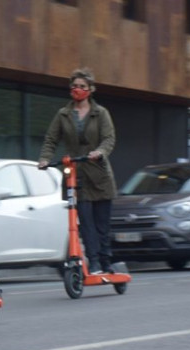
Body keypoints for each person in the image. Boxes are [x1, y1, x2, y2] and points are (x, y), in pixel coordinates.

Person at [38, 67, 117, 274]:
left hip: (99, 176)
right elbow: (51, 139)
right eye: (74, 86)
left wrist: (99, 152)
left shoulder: (101, 113)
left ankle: (106, 260)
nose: (77, 89)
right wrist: (45, 158)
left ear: (90, 89)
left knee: (101, 224)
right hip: (76, 175)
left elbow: (109, 139)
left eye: (82, 86)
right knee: (86, 223)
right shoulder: (63, 114)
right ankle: (94, 262)